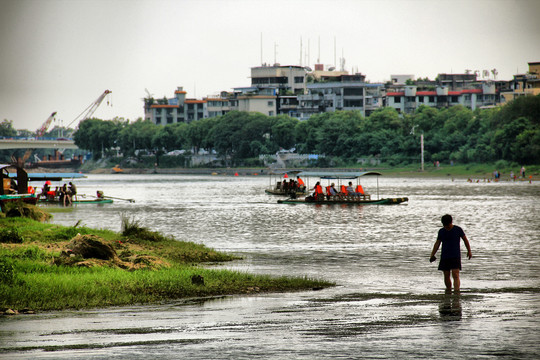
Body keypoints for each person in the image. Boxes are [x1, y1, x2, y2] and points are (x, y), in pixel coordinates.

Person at [430, 214, 472, 292]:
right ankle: (448, 290)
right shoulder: (441, 231)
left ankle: (456, 291)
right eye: (445, 226)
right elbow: (437, 243)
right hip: (445, 256)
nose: (447, 227)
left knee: (455, 274)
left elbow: (465, 240)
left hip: (455, 255)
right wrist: (432, 254)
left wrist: (469, 251)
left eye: (448, 225)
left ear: (451, 222)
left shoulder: (458, 229)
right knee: (446, 275)